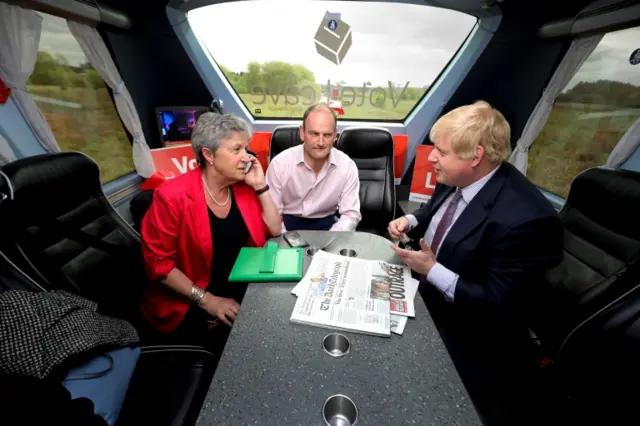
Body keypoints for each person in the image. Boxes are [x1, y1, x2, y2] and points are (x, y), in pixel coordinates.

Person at [387, 101, 563, 425]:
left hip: (471, 336)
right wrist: (411, 220)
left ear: (476, 156)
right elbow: (439, 210)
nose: (431, 157)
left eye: (441, 151)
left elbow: (496, 305)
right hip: (428, 295)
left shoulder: (526, 221)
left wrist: (431, 270)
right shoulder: (460, 176)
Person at [140, 113, 282, 352]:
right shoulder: (172, 195)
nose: (246, 157)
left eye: (246, 149)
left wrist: (260, 186)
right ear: (208, 155)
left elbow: (275, 229)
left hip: (240, 287)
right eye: (236, 150)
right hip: (192, 300)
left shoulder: (243, 189)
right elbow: (160, 265)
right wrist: (209, 301)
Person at [265, 103, 361, 232]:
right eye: (314, 134)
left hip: (328, 225)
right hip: (286, 224)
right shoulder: (279, 164)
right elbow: (272, 214)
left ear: (335, 135)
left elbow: (351, 215)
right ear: (302, 133)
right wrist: (288, 242)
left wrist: (328, 242)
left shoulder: (347, 166)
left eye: (327, 135)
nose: (321, 143)